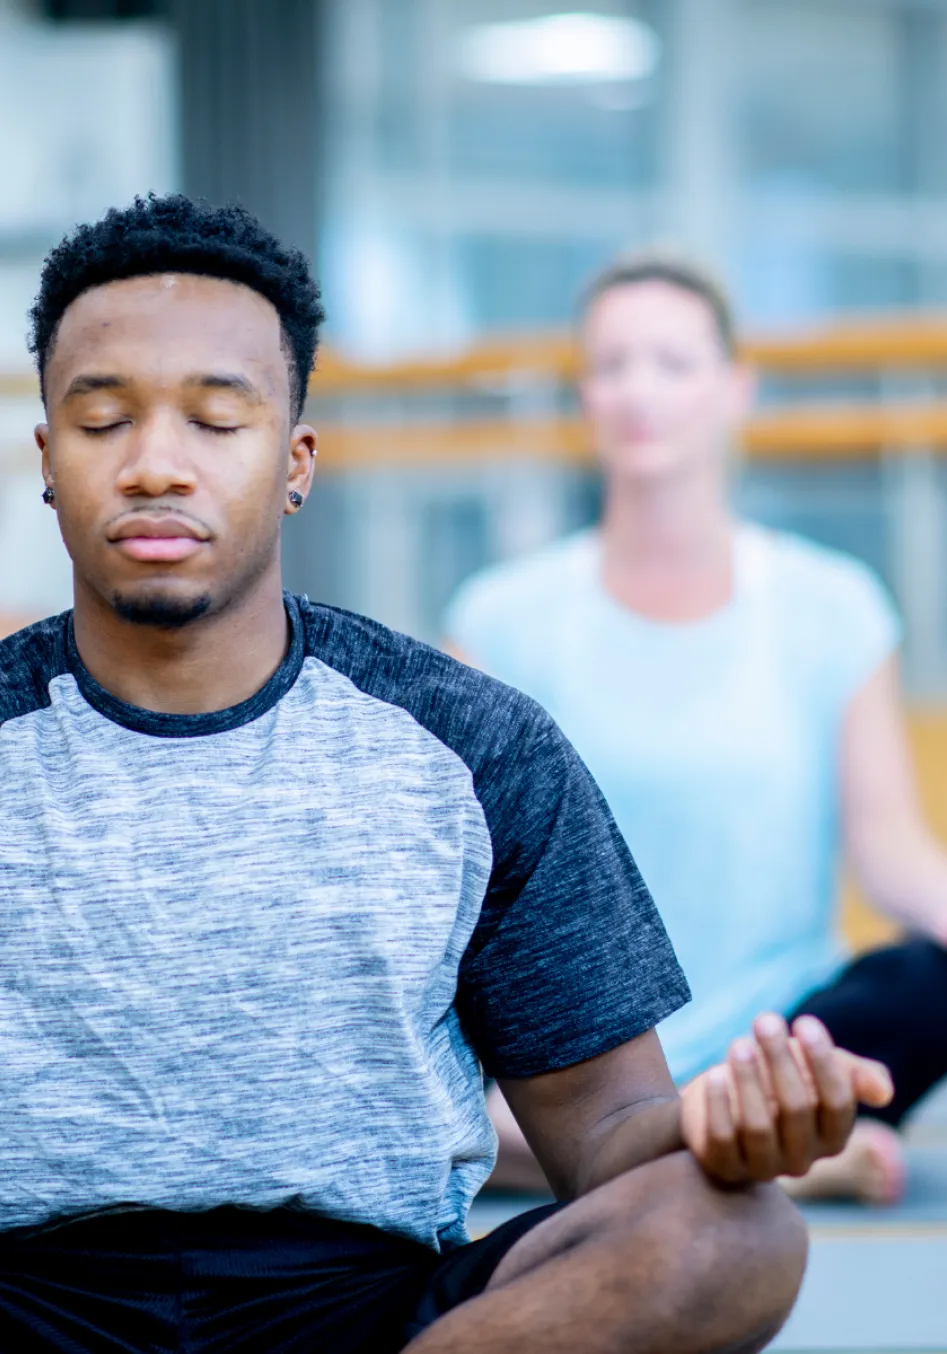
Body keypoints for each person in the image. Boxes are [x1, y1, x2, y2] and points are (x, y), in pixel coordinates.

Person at [0, 196, 892, 1353]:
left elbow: (604, 1132)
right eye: (105, 420)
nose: (156, 465)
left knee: (731, 1235)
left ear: (294, 461)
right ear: (48, 461)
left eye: (218, 422)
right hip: (31, 1297)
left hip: (370, 1311)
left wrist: (722, 1124)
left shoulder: (471, 744)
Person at [445, 249, 947, 1208]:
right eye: (611, 366)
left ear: (735, 389)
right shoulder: (499, 618)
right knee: (432, 1062)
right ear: (585, 397)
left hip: (773, 1036)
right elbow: (465, 881)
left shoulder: (835, 605)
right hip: (573, 1053)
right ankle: (763, 1152)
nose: (638, 390)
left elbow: (889, 847)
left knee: (937, 988)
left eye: (673, 362)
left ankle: (691, 1135)